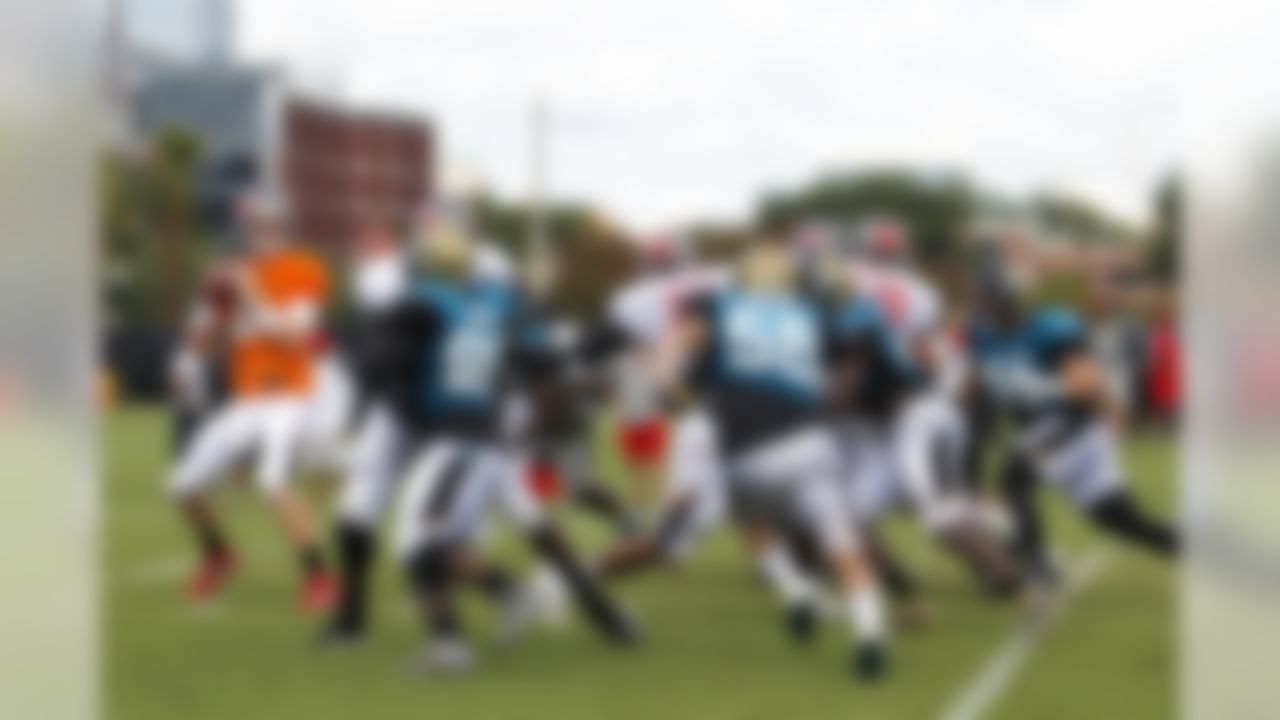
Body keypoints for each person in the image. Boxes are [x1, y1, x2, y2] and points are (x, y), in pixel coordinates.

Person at [361, 223, 637, 672]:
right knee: (525, 531)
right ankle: (536, 600)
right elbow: (550, 365)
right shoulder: (499, 306)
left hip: (462, 439)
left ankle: (452, 642)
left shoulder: (421, 305)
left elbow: (380, 366)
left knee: (420, 543)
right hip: (486, 434)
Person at [670, 240, 891, 680]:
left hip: (749, 451)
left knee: (747, 517)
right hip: (812, 444)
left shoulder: (721, 307)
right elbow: (841, 355)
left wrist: (689, 380)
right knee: (840, 543)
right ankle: (869, 633)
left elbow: (688, 370)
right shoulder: (811, 314)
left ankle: (794, 591)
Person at [167, 194, 337, 613]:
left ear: (284, 225)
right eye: (255, 224)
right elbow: (204, 345)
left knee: (272, 481)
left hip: (292, 396)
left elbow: (298, 336)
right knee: (182, 485)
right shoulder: (230, 275)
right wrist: (214, 315)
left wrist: (251, 292)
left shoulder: (302, 267)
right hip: (248, 400)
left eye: (269, 223)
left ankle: (318, 575)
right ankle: (219, 555)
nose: (261, 231)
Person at [967, 264, 1180, 586]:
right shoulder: (981, 335)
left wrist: (1096, 399)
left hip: (1072, 423)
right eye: (980, 297)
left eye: (988, 297)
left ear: (1009, 298)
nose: (981, 304)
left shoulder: (1050, 328)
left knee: (1014, 479)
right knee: (1121, 521)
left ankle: (1039, 571)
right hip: (1047, 429)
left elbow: (1085, 383)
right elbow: (978, 387)